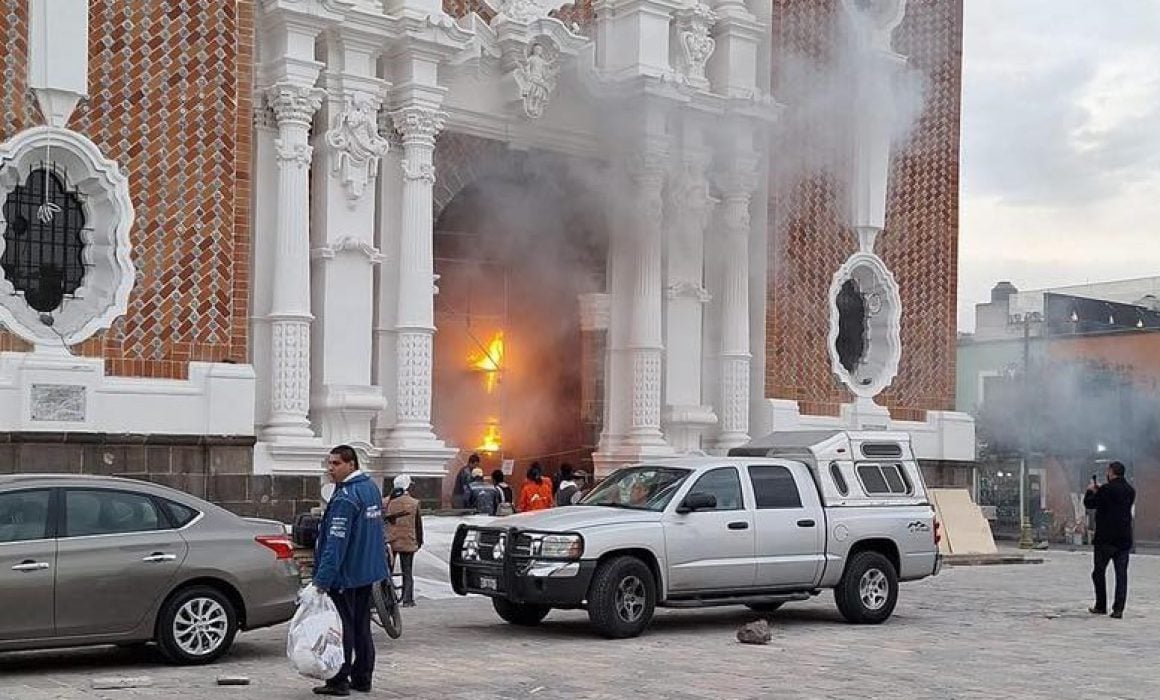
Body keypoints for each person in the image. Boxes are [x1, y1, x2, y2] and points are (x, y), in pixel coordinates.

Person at [312, 445, 389, 696]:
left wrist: (321, 580)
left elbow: (336, 544)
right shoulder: (370, 489)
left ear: (351, 464)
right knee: (361, 625)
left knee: (342, 627)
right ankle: (363, 677)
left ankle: (338, 680)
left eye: (336, 464)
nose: (330, 468)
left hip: (346, 575)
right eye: (329, 463)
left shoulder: (346, 497)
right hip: (367, 571)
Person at [1084, 460, 1136, 619]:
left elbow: (1090, 504)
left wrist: (1091, 491)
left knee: (1098, 572)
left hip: (1105, 539)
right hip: (1123, 538)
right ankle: (1118, 609)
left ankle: (1101, 605)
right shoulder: (1130, 490)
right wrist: (1100, 491)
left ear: (1111, 472)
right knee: (1121, 575)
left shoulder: (1106, 489)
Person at [385, 474, 423, 608]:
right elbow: (418, 525)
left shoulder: (385, 502)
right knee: (407, 571)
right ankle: (408, 599)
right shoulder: (414, 503)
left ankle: (387, 598)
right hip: (408, 541)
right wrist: (419, 541)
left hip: (389, 541)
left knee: (387, 571)